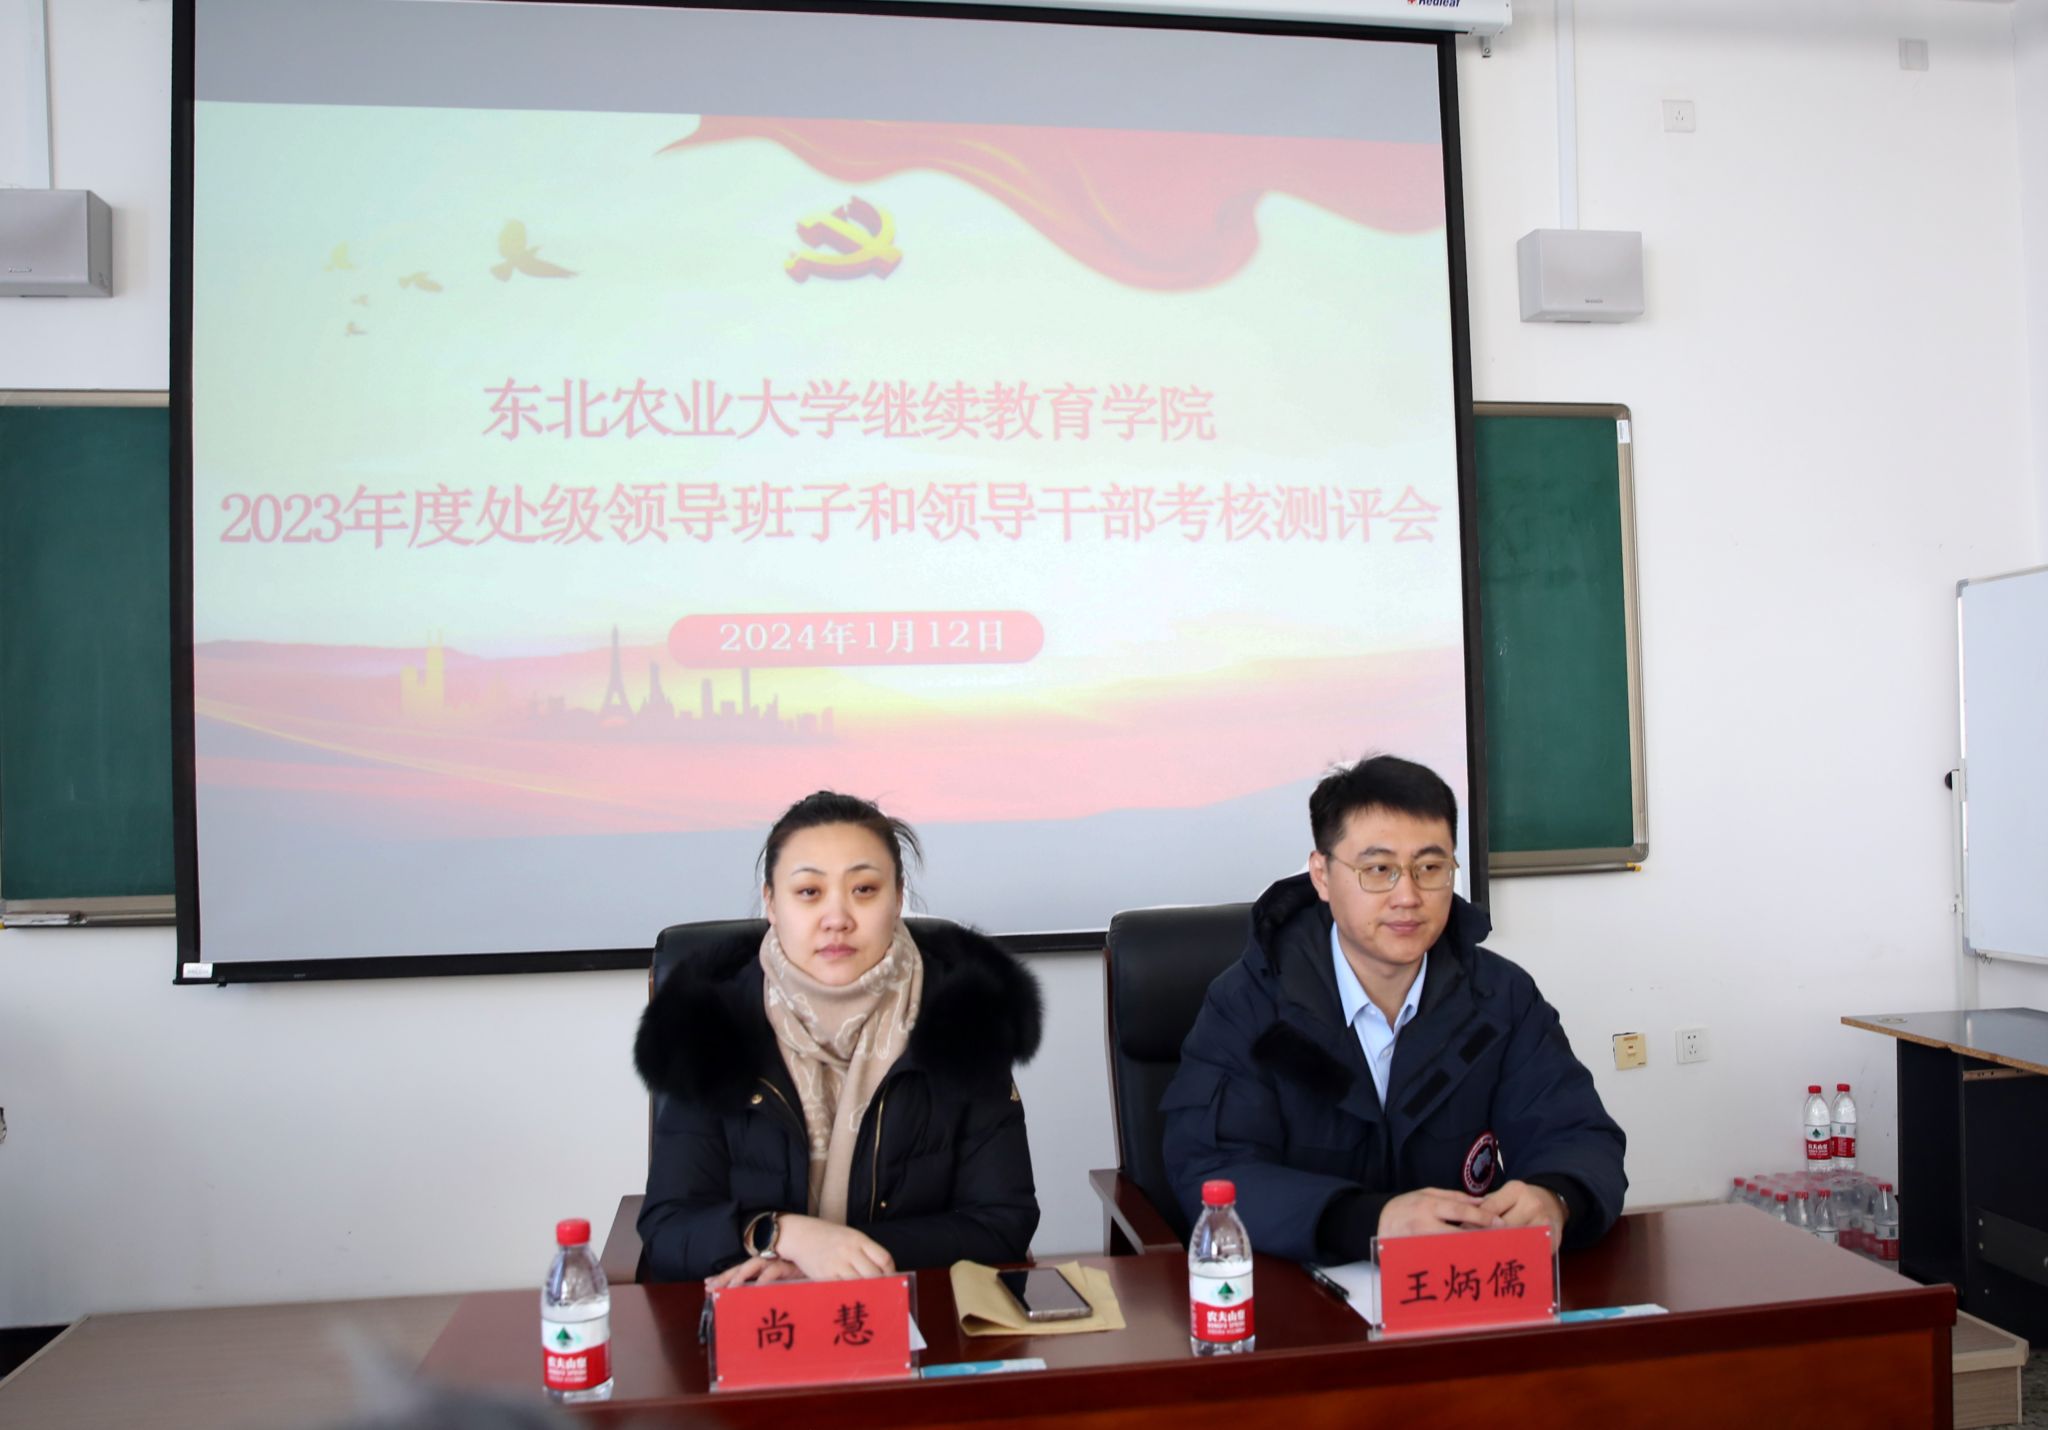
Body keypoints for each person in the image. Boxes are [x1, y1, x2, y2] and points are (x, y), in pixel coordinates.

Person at [1160, 755, 1626, 1264]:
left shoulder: (1500, 997)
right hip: (1300, 1290)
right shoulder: (1249, 1004)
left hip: (1462, 1284)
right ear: (1321, 875)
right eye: (1378, 870)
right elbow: (1213, 1169)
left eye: (1430, 868)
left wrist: (1555, 1197)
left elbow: (1576, 1132)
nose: (1408, 896)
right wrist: (1371, 1222)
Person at [633, 791, 1042, 1285]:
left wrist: (837, 1260)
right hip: (754, 1317)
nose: (837, 918)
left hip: (915, 1316)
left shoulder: (965, 1018)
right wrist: (785, 1236)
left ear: (898, 898)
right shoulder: (707, 1024)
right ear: (771, 903)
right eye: (809, 892)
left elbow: (1002, 1221)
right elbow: (670, 1228)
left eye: (864, 889)